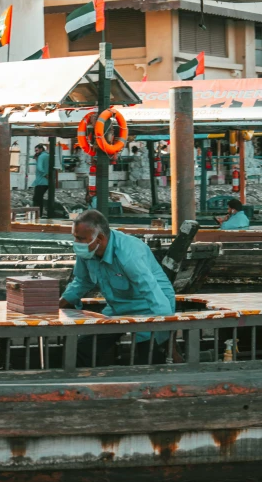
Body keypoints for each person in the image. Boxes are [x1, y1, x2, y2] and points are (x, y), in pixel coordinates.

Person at [59, 210, 176, 367]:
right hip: (117, 307)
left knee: (150, 359)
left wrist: (165, 326)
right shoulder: (87, 249)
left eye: (79, 238)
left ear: (99, 238)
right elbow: (82, 280)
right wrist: (60, 304)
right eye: (74, 237)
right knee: (82, 348)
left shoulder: (129, 254)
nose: (76, 242)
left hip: (149, 307)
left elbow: (151, 291)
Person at [31, 144, 49, 217]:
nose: (36, 152)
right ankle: (40, 214)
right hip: (47, 182)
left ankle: (37, 214)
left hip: (41, 181)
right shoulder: (48, 155)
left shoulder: (41, 157)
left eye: (37, 150)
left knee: (36, 199)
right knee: (40, 198)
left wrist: (44, 174)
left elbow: (39, 167)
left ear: (41, 149)